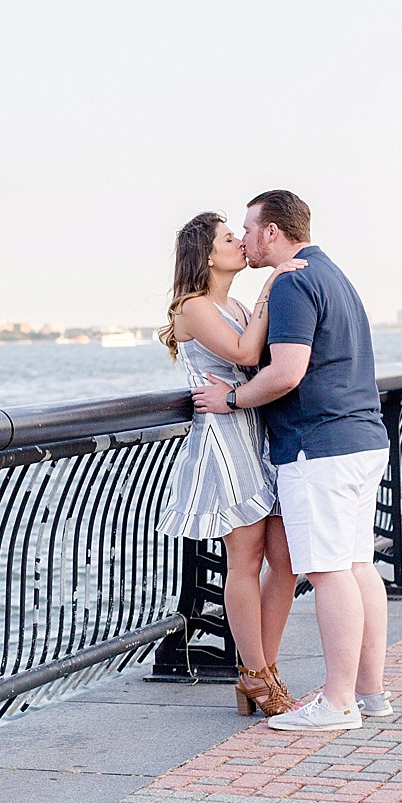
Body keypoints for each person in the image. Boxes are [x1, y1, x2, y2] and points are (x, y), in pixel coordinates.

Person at [191, 190, 394, 731]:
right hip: (362, 438)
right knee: (356, 567)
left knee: (329, 574)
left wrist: (231, 400)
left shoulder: (292, 282)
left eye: (250, 229)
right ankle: (370, 693)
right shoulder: (333, 275)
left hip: (319, 447)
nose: (246, 239)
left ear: (273, 232)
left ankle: (337, 702)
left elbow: (286, 373)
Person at [156, 211, 303, 717]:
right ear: (206, 255)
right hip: (223, 440)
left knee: (282, 559)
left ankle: (264, 668)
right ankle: (256, 675)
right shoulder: (193, 308)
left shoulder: (236, 303)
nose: (241, 242)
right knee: (246, 558)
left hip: (254, 431)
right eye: (228, 238)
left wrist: (261, 301)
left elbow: (257, 362)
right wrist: (272, 288)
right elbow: (244, 351)